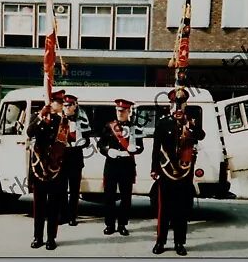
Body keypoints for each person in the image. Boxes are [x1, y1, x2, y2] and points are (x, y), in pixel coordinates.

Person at [151, 88, 205, 256]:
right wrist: (154, 168)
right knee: (164, 209)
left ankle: (179, 242)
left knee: (181, 209)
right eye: (175, 104)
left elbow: (201, 135)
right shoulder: (163, 122)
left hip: (184, 172)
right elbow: (155, 148)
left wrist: (189, 125)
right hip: (166, 170)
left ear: (186, 104)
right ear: (170, 105)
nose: (178, 107)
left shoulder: (191, 122)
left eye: (181, 104)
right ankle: (160, 241)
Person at [97, 99, 144, 236]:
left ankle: (122, 224)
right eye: (118, 111)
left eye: (123, 111)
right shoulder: (109, 126)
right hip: (111, 163)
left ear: (129, 111)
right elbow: (100, 144)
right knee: (109, 196)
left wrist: (135, 149)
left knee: (125, 197)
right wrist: (107, 151)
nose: (120, 113)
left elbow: (141, 147)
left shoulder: (136, 128)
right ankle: (110, 224)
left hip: (126, 164)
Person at [27, 89, 66, 250]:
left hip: (55, 167)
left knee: (53, 206)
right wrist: (41, 117)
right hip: (39, 167)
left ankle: (51, 238)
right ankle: (38, 237)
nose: (61, 105)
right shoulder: (38, 117)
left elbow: (62, 143)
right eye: (59, 102)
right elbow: (30, 132)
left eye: (62, 103)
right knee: (39, 205)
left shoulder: (62, 121)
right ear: (51, 103)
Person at [59, 94, 91, 226]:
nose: (66, 108)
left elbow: (87, 139)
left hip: (75, 158)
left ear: (75, 105)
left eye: (69, 105)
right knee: (61, 189)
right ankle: (63, 215)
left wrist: (80, 142)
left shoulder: (82, 118)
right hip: (61, 158)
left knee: (74, 190)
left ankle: (72, 216)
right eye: (65, 105)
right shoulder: (59, 118)